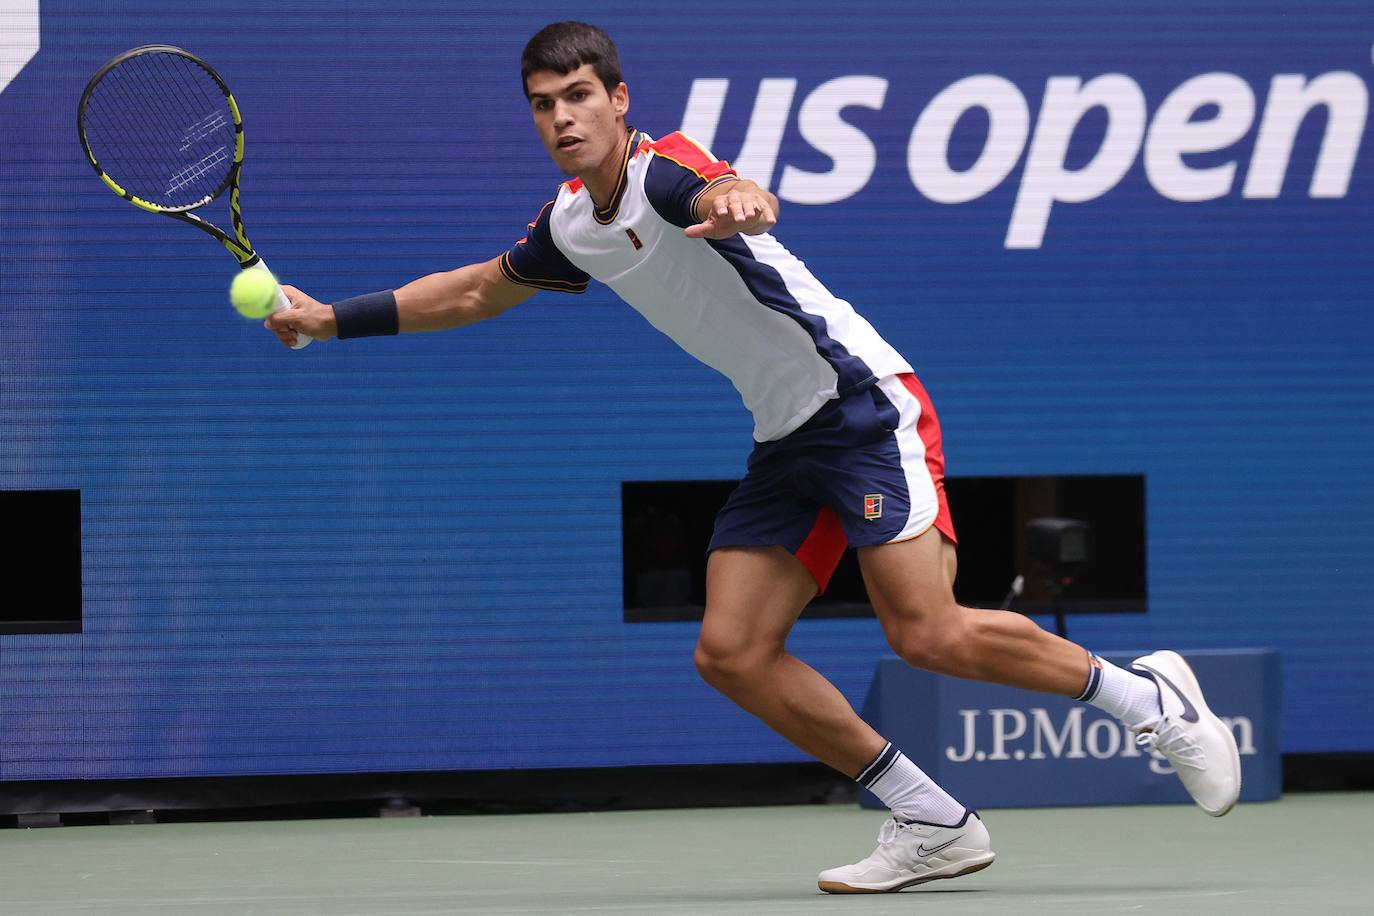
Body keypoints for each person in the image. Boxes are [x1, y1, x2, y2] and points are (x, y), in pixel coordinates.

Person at [267, 21, 1242, 894]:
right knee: (731, 651)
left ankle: (1147, 699)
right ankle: (933, 818)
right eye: (542, 105)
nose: (562, 118)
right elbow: (478, 289)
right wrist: (327, 321)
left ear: (618, 99)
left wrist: (738, 198)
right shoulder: (572, 223)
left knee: (928, 634)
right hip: (788, 438)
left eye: (577, 97)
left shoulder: (664, 173)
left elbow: (723, 187)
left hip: (861, 405)